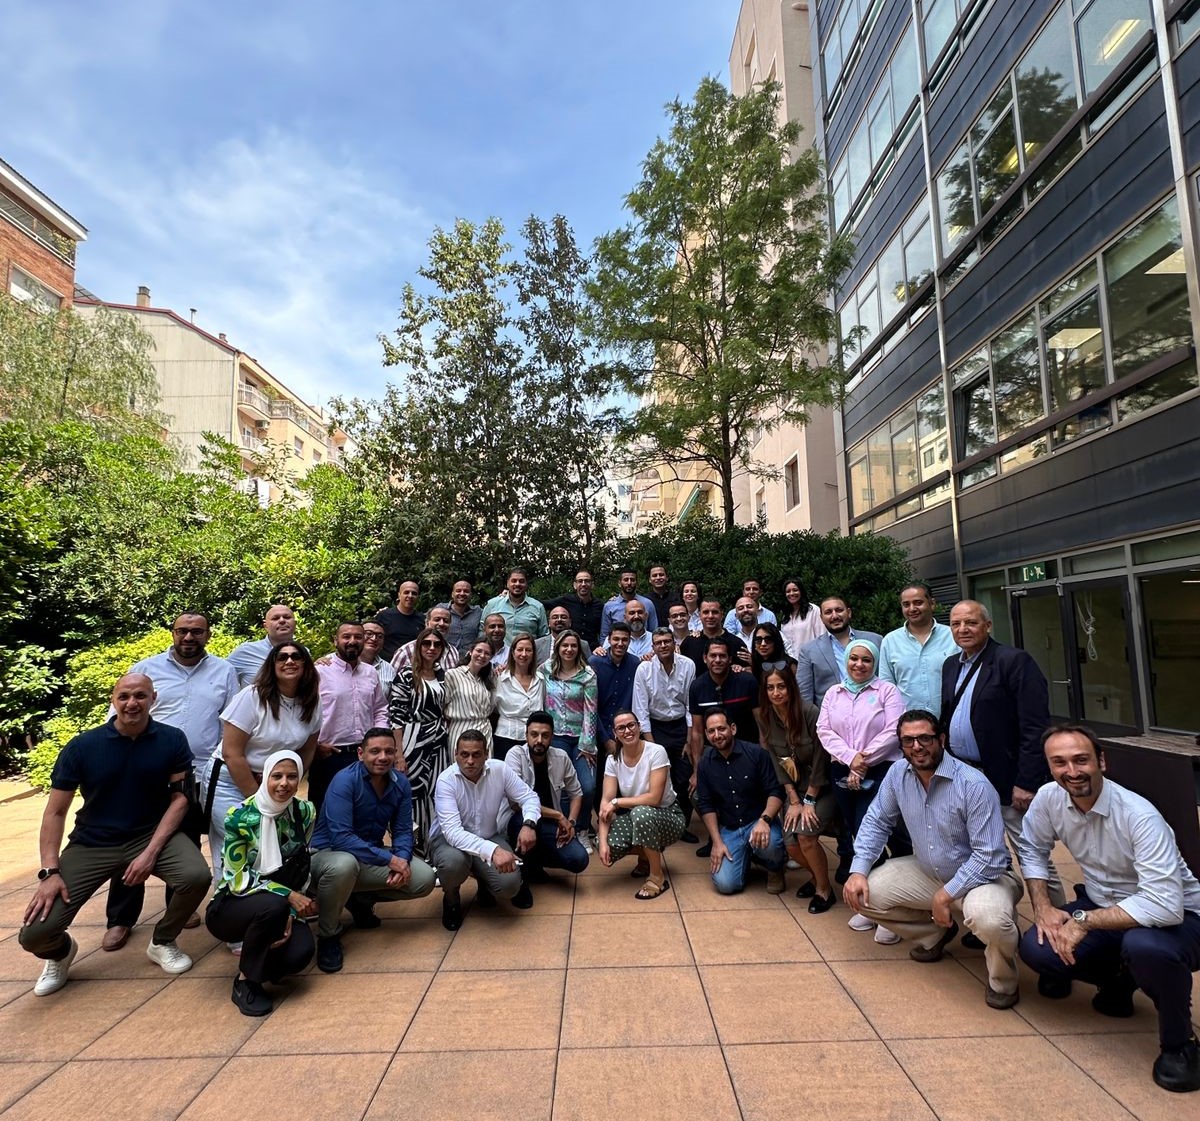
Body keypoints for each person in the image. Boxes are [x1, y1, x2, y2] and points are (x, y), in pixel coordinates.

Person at [1018, 725, 1200, 1093]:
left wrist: (1084, 921)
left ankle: (1181, 1045)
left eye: (1081, 760)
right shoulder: (1049, 798)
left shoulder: (1139, 816)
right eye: (1060, 762)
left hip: (1180, 918)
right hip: (1103, 903)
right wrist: (1043, 906)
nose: (1072, 771)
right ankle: (1119, 977)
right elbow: (1032, 847)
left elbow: (1164, 905)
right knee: (1037, 948)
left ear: (1101, 761)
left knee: (1145, 947)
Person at [19, 673, 212, 996]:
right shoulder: (82, 747)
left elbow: (180, 799)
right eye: (124, 696)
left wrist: (150, 853)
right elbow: (55, 812)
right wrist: (49, 871)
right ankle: (61, 953)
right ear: (113, 700)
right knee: (35, 934)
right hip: (93, 843)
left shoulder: (172, 739)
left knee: (196, 876)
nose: (132, 703)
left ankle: (163, 941)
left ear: (153, 699)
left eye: (140, 696)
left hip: (149, 834)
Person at [843, 710, 1023, 1009]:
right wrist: (858, 870)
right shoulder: (898, 774)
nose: (917, 747)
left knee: (990, 920)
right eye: (908, 740)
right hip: (929, 872)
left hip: (984, 878)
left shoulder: (973, 784)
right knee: (862, 894)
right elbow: (877, 820)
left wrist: (945, 895)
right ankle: (935, 934)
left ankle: (1003, 982)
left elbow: (990, 857)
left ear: (941, 739)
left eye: (925, 738)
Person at [104, 612, 239, 949]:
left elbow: (231, 722)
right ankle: (120, 919)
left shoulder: (223, 671)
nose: (189, 637)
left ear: (208, 635)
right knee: (131, 838)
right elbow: (117, 717)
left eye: (197, 631)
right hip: (145, 769)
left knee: (185, 837)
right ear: (173, 633)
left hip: (198, 770)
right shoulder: (146, 669)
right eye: (183, 631)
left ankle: (178, 905)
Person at [940, 599, 1063, 907]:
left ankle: (1058, 917)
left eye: (971, 622)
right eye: (956, 624)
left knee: (1031, 854)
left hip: (1007, 779)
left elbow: (1035, 727)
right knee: (979, 853)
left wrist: (1027, 781)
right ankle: (993, 916)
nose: (963, 629)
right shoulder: (951, 665)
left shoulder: (1014, 661)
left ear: (988, 625)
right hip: (965, 777)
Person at [308, 728, 437, 972]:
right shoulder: (344, 781)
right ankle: (328, 935)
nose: (383, 757)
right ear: (361, 753)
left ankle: (358, 898)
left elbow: (402, 830)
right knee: (344, 865)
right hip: (327, 856)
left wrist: (401, 859)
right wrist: (389, 860)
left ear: (396, 753)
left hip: (368, 856)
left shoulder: (400, 784)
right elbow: (341, 838)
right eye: (375, 751)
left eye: (389, 751)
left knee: (424, 878)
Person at [204, 750, 316, 1016]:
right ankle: (246, 982)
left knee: (301, 952)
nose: (284, 783)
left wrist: (291, 912)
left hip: (279, 905)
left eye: (292, 776)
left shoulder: (304, 812)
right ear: (264, 777)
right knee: (273, 906)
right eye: (277, 776)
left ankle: (263, 964)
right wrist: (288, 897)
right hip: (232, 905)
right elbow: (237, 879)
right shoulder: (240, 816)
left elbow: (301, 865)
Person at [203, 642, 321, 885]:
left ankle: (271, 901)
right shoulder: (252, 696)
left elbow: (307, 749)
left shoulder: (311, 701)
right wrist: (258, 799)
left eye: (296, 656)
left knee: (273, 843)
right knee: (240, 841)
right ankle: (229, 900)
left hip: (274, 782)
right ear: (272, 665)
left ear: (306, 665)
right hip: (230, 778)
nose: (289, 661)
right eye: (282, 657)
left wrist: (287, 785)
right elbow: (232, 753)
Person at [817, 639, 906, 942]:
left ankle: (889, 910)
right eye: (853, 658)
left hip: (880, 770)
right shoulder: (834, 692)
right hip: (842, 770)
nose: (859, 664)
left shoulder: (887, 691)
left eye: (866, 660)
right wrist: (851, 759)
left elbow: (893, 731)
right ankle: (871, 904)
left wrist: (863, 761)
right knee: (858, 833)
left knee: (876, 834)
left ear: (875, 663)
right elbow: (824, 730)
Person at [429, 731, 542, 930]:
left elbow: (529, 797)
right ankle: (451, 897)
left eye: (476, 754)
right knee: (453, 864)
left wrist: (529, 824)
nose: (470, 761)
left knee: (509, 886)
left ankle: (484, 881)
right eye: (464, 754)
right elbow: (453, 833)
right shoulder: (446, 780)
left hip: (488, 835)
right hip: (449, 843)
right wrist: (493, 851)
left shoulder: (500, 769)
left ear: (486, 754)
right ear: (455, 754)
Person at [755, 667, 837, 912]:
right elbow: (777, 760)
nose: (776, 693)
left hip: (822, 787)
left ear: (790, 687)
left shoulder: (810, 712)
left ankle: (824, 890)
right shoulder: (766, 717)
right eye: (770, 688)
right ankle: (816, 877)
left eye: (781, 686)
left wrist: (809, 800)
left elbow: (822, 758)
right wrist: (793, 800)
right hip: (796, 790)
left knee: (805, 836)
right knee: (790, 844)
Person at [695, 709, 787, 895]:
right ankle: (745, 858)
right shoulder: (705, 764)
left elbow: (776, 791)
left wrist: (765, 820)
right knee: (726, 885)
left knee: (772, 844)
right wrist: (717, 842)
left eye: (721, 729)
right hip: (730, 829)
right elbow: (706, 805)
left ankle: (774, 868)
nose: (717, 735)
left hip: (758, 821)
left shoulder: (756, 754)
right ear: (706, 734)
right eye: (711, 731)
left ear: (733, 728)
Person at [503, 711, 590, 902]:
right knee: (521, 821)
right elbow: (517, 802)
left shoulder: (561, 757)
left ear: (552, 737)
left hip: (549, 825)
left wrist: (571, 823)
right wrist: (559, 816)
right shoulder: (515, 755)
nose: (539, 740)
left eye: (545, 735)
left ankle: (534, 862)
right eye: (534, 734)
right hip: (520, 821)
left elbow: (576, 793)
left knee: (579, 859)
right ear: (526, 735)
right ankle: (523, 874)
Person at [598, 711, 686, 899]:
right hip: (638, 816)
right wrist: (603, 842)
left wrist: (617, 802)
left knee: (641, 814)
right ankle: (647, 855)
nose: (627, 731)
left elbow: (654, 799)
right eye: (621, 728)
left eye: (631, 725)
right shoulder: (613, 759)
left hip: (669, 815)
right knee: (604, 842)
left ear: (639, 727)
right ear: (615, 733)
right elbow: (606, 803)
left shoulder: (656, 751)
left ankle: (657, 877)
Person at [311, 622, 389, 813]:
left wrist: (377, 741)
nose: (352, 641)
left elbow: (380, 708)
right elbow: (303, 711)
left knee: (364, 812)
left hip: (364, 756)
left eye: (358, 637)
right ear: (335, 640)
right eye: (346, 636)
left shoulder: (370, 673)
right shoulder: (319, 671)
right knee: (325, 813)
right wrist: (315, 745)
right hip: (329, 756)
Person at [387, 625, 449, 856]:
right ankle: (409, 849)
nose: (431, 648)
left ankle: (431, 848)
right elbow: (396, 717)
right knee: (411, 794)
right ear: (418, 646)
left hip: (438, 742)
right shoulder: (406, 675)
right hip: (413, 741)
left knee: (435, 793)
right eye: (427, 643)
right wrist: (399, 754)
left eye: (437, 644)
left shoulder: (442, 675)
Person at [632, 627, 697, 842]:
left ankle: (682, 826)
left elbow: (690, 706)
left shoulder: (687, 665)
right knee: (658, 778)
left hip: (681, 727)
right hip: (655, 728)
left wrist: (689, 740)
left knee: (684, 777)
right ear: (653, 646)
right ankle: (659, 825)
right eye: (658, 643)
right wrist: (652, 747)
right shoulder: (644, 669)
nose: (663, 646)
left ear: (673, 643)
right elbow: (640, 711)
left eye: (667, 641)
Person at [540, 629, 598, 849]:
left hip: (581, 740)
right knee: (562, 787)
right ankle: (565, 830)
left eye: (573, 645)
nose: (569, 649)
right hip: (555, 738)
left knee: (587, 786)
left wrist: (587, 745)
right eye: (565, 645)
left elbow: (591, 711)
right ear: (558, 648)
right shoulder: (545, 670)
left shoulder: (587, 675)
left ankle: (582, 829)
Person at [687, 638, 758, 789]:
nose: (718, 660)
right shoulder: (697, 687)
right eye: (713, 656)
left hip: (747, 750)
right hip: (714, 752)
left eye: (722, 656)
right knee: (698, 794)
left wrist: (764, 760)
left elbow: (762, 725)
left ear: (730, 659)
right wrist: (696, 771)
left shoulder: (747, 681)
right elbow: (697, 732)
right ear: (705, 658)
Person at [878, 583, 957, 715]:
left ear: (932, 603)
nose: (912, 609)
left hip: (950, 719)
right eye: (906, 604)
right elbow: (887, 688)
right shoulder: (890, 641)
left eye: (918, 602)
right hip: (908, 723)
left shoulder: (953, 636)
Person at [590, 622, 638, 832]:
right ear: (608, 640)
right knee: (599, 779)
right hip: (599, 729)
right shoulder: (595, 662)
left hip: (627, 731)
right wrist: (605, 739)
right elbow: (591, 705)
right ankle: (601, 820)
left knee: (625, 778)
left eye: (624, 639)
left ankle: (623, 824)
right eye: (616, 639)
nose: (620, 643)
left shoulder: (635, 663)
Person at [796, 597, 883, 707]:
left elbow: (885, 679)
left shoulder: (875, 641)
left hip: (874, 710)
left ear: (849, 612)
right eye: (828, 612)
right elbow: (804, 694)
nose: (835, 616)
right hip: (830, 714)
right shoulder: (809, 651)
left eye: (839, 610)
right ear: (821, 618)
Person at [492, 633, 544, 760]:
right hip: (505, 736)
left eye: (528, 650)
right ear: (513, 653)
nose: (524, 654)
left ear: (533, 653)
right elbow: (492, 707)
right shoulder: (500, 678)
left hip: (534, 739)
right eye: (520, 649)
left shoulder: (540, 680)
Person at [443, 639, 497, 754]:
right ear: (471, 651)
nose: (482, 656)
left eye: (487, 653)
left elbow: (493, 705)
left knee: (486, 764)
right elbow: (442, 705)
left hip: (484, 731)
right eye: (479, 651)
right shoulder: (453, 675)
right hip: (461, 729)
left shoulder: (490, 678)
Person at [227, 604, 297, 687]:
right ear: (265, 626)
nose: (282, 620)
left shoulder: (302, 653)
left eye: (287, 617)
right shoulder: (246, 652)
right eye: (275, 618)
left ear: (295, 623)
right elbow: (221, 673)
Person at [679, 599, 747, 671]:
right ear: (699, 615)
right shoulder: (689, 643)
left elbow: (747, 670)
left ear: (722, 615)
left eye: (715, 612)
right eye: (706, 612)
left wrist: (740, 669)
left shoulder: (737, 643)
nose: (710, 616)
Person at [482, 567, 548, 639]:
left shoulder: (538, 607)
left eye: (521, 581)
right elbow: (482, 630)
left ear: (526, 584)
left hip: (528, 646)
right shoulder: (492, 604)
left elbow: (544, 637)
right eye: (514, 581)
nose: (517, 584)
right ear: (507, 583)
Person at [391, 605, 461, 672]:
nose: (442, 624)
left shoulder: (453, 652)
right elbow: (391, 678)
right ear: (427, 623)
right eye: (437, 619)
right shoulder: (406, 651)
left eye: (446, 621)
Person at [599, 566, 658, 644]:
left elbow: (655, 632)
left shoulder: (647, 604)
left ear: (637, 583)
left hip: (645, 648)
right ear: (619, 583)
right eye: (626, 580)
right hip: (619, 647)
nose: (629, 583)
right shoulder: (609, 606)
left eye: (632, 580)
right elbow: (604, 636)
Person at [550, 569, 603, 650]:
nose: (583, 584)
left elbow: (604, 631)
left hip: (593, 650)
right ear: (575, 585)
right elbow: (543, 604)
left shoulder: (600, 605)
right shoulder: (565, 600)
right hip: (571, 648)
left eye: (587, 581)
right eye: (580, 581)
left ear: (592, 584)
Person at [372, 580, 425, 661]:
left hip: (412, 664)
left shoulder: (422, 619)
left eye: (414, 593)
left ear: (418, 597)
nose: (410, 596)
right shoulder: (384, 616)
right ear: (399, 595)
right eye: (406, 592)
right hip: (386, 664)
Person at [439, 579, 482, 660]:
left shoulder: (478, 612)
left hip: (469, 661)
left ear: (470, 595)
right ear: (452, 594)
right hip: (445, 659)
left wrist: (504, 596)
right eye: (458, 591)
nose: (462, 594)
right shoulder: (441, 610)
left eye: (466, 591)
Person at [778, 579, 824, 654]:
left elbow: (822, 636)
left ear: (801, 591)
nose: (791, 593)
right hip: (791, 659)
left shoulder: (813, 610)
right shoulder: (785, 616)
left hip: (811, 657)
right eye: (788, 591)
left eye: (795, 590)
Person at [728, 596, 766, 666]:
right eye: (740, 608)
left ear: (757, 611)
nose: (745, 610)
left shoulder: (772, 634)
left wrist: (755, 663)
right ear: (736, 616)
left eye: (749, 607)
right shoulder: (733, 641)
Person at [361, 621, 396, 694]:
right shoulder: (343, 663)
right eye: (369, 634)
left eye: (380, 636)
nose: (374, 638)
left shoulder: (389, 669)